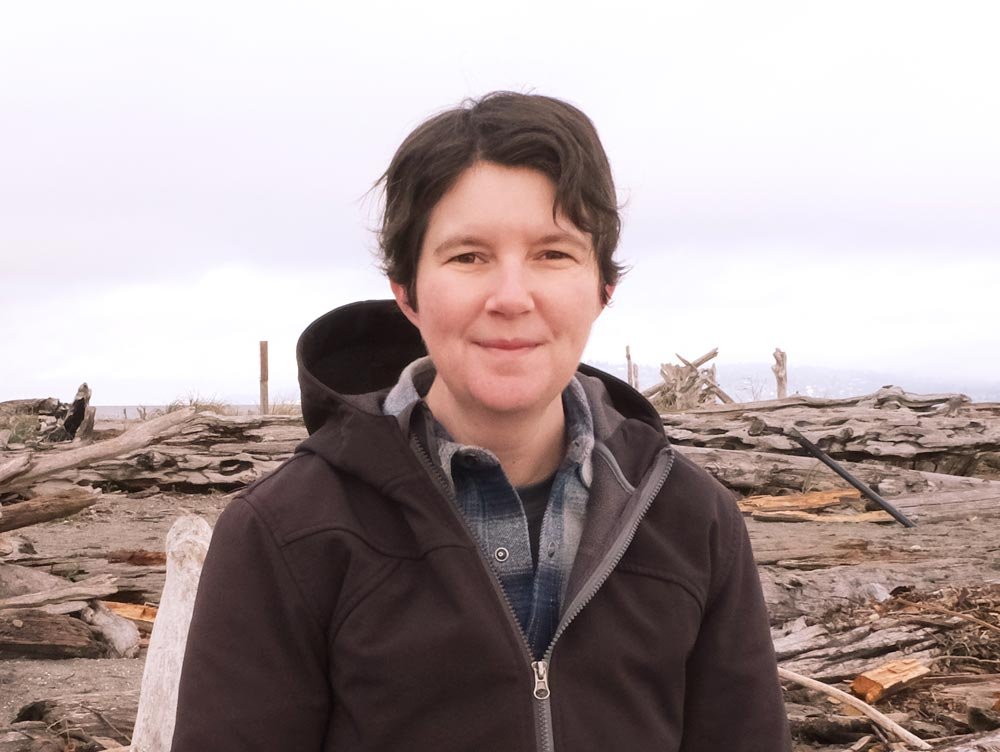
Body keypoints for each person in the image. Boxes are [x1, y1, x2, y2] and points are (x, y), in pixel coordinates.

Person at [171, 91, 791, 751]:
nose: (511, 298)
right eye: (468, 256)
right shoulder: (288, 533)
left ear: (603, 287)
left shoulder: (692, 519)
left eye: (553, 254)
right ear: (405, 290)